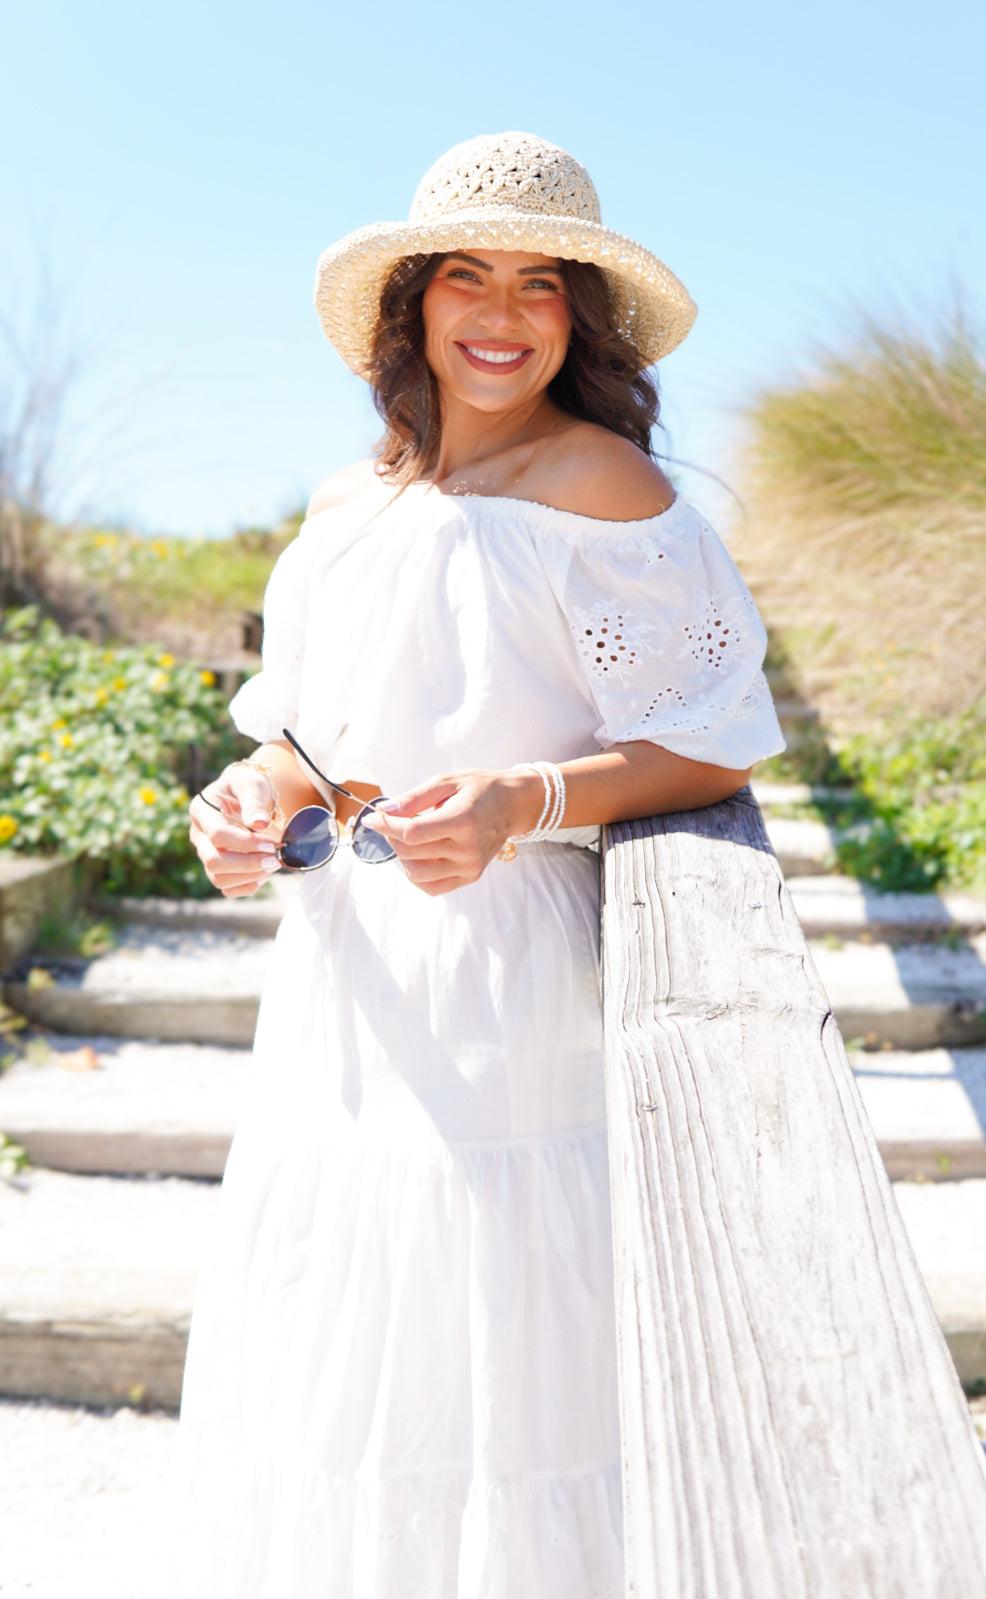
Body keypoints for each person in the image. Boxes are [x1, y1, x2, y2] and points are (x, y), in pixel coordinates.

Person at [179, 130, 785, 1597]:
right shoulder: (344, 507)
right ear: (413, 309)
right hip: (347, 984)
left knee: (505, 1341)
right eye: (467, 274)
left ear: (577, 317)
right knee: (345, 1333)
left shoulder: (607, 486)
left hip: (513, 972)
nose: (499, 313)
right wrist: (245, 802)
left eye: (538, 284)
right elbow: (307, 743)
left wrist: (523, 800)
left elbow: (713, 744)